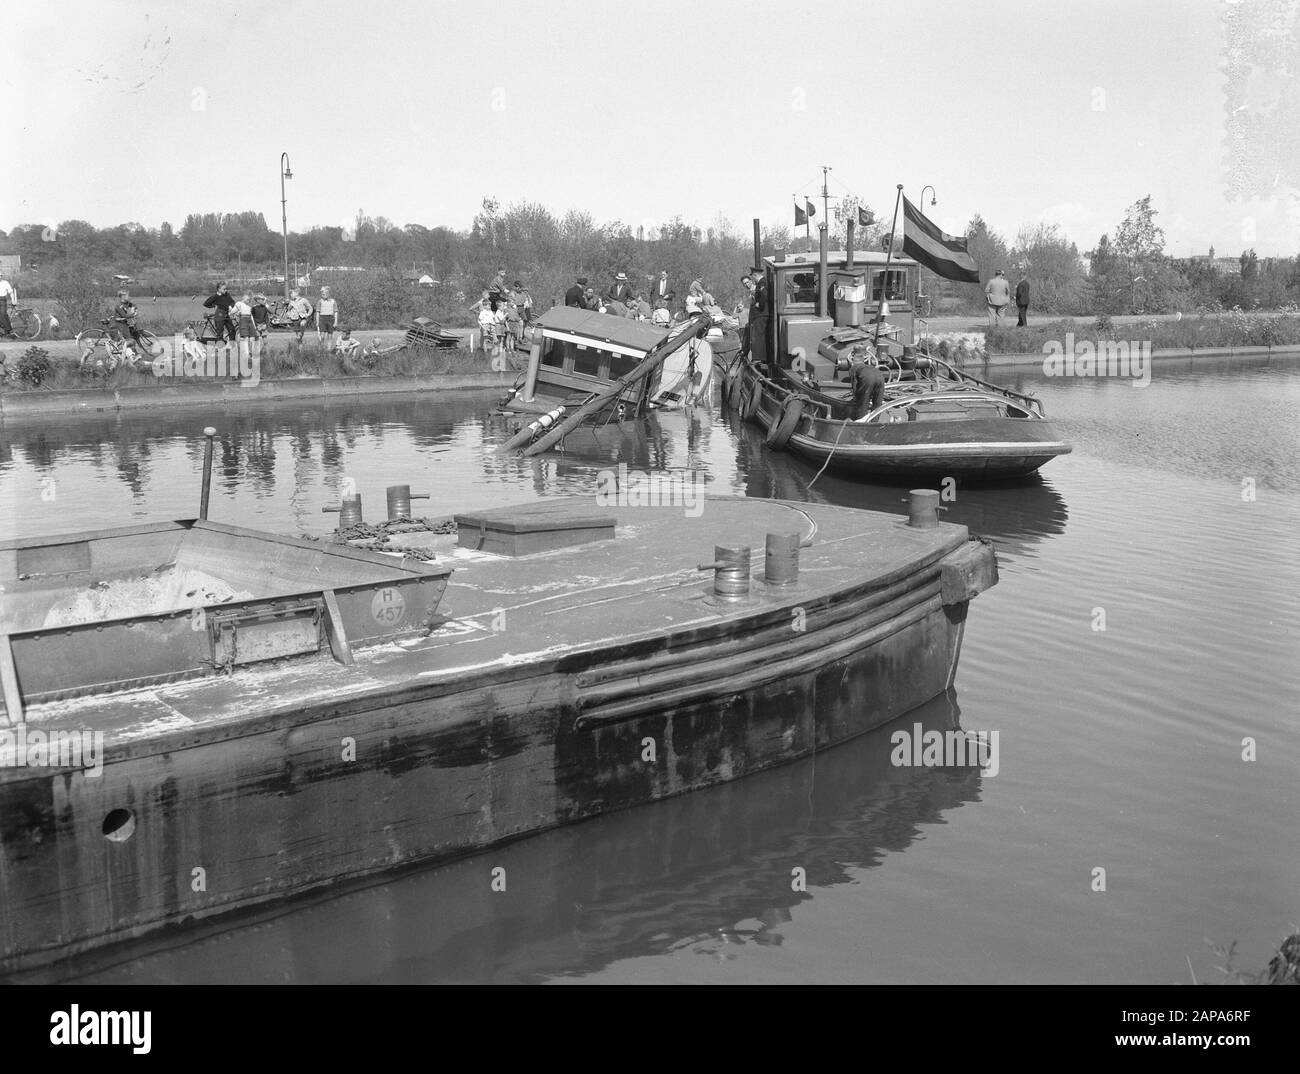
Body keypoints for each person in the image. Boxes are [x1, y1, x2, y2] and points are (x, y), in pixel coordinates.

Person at [743, 269, 770, 366]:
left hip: (761, 313)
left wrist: (760, 304)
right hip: (759, 314)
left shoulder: (762, 283)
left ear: (755, 275)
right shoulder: (761, 283)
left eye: (752, 277)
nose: (753, 280)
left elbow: (764, 295)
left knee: (758, 336)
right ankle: (759, 357)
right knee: (758, 335)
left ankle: (758, 358)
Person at [202, 282, 237, 352]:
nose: (225, 290)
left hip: (227, 314)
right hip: (219, 314)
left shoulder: (227, 294)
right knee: (220, 332)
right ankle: (219, 348)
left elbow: (232, 302)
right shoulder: (215, 296)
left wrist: (231, 306)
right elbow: (206, 303)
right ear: (219, 289)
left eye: (226, 289)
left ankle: (232, 346)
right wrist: (213, 306)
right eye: (224, 289)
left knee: (232, 330)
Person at [233, 291, 257, 371]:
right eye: (247, 299)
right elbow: (234, 312)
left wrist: (254, 326)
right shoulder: (239, 304)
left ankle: (250, 353)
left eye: (249, 300)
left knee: (252, 339)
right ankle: (247, 355)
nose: (248, 301)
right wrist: (236, 313)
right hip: (243, 322)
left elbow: (251, 317)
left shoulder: (249, 307)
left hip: (249, 321)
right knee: (245, 339)